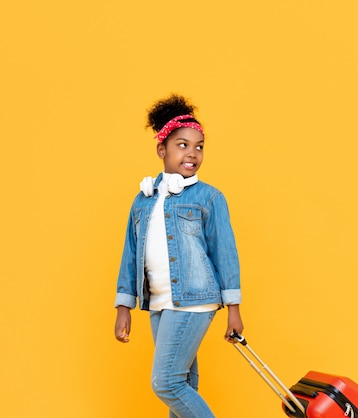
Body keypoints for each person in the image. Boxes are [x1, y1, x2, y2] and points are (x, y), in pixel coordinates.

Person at [114, 93, 244, 418]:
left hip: (194, 299)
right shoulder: (142, 200)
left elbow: (225, 254)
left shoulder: (209, 198)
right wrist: (123, 306)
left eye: (199, 146)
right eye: (182, 145)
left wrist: (234, 310)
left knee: (167, 382)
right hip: (158, 304)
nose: (192, 154)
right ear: (162, 149)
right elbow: (130, 256)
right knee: (183, 383)